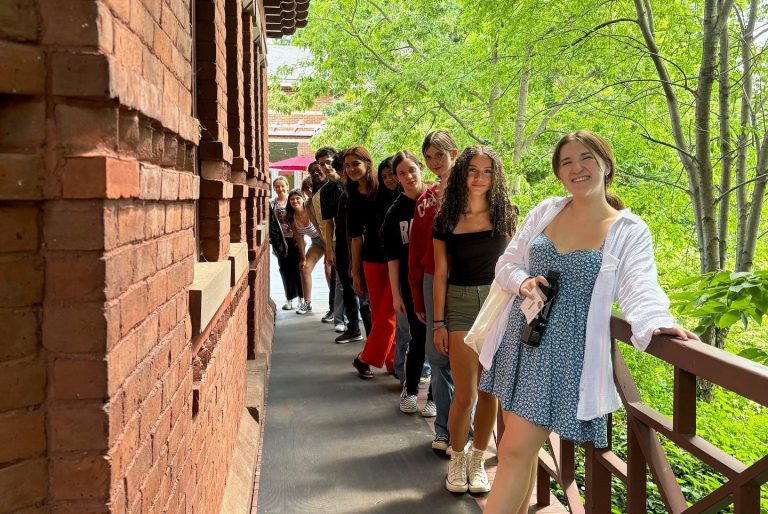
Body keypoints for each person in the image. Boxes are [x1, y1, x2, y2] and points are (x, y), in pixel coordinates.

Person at [481, 130, 699, 513]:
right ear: (558, 172)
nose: (576, 168)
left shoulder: (628, 230)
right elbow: (507, 263)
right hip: (524, 340)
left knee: (515, 450)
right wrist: (523, 280)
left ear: (606, 164)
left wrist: (655, 322)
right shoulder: (547, 209)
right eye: (566, 162)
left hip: (566, 356)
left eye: (586, 158)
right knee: (518, 450)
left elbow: (640, 287)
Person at [433, 145, 516, 494]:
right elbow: (439, 273)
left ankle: (478, 459)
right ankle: (457, 457)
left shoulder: (506, 214)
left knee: (489, 390)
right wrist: (439, 323)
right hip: (461, 303)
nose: (479, 178)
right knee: (464, 394)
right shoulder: (447, 217)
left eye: (486, 171)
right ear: (462, 173)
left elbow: (516, 264)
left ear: (495, 176)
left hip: (497, 304)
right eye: (472, 170)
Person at [408, 129, 459, 452]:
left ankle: (465, 432)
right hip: (431, 281)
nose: (434, 162)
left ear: (454, 152)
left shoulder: (473, 194)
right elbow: (415, 252)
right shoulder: (425, 200)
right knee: (438, 355)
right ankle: (443, 429)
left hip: (467, 281)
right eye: (428, 157)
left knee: (469, 355)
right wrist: (416, 294)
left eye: (440, 155)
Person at [382, 151, 437, 416]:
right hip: (410, 283)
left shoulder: (437, 200)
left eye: (412, 170)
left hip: (439, 280)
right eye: (402, 173)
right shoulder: (395, 212)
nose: (408, 177)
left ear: (421, 169)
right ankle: (411, 390)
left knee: (439, 339)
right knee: (419, 338)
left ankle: (436, 396)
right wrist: (396, 294)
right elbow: (392, 258)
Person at [346, 147, 398, 378]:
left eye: (355, 163)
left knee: (389, 313)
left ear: (367, 163)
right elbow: (355, 238)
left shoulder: (385, 187)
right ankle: (386, 361)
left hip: (396, 259)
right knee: (381, 314)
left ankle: (373, 359)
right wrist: (355, 271)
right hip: (372, 260)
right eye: (347, 166)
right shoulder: (351, 197)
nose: (351, 169)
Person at [285, 188, 325, 315]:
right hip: (317, 244)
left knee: (330, 271)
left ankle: (334, 306)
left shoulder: (310, 209)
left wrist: (330, 250)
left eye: (297, 198)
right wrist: (303, 258)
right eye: (292, 199)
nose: (295, 201)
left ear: (303, 199)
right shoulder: (292, 218)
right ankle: (307, 304)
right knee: (305, 268)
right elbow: (299, 239)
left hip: (329, 241)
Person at [269, 176, 303, 310]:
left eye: (282, 186)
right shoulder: (272, 204)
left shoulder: (293, 201)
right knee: (284, 270)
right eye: (277, 186)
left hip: (295, 240)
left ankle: (302, 298)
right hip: (280, 242)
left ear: (287, 187)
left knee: (298, 269)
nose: (280, 189)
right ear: (274, 189)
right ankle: (289, 299)